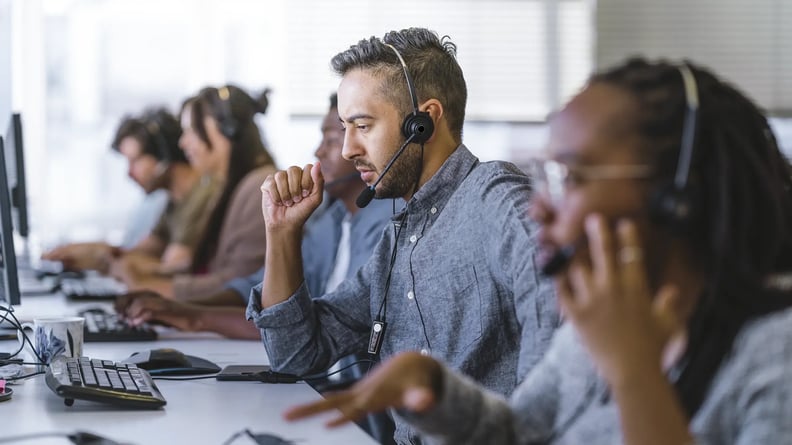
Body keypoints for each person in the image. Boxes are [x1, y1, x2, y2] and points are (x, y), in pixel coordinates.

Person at [284, 58, 792, 444]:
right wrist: (436, 392)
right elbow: (520, 431)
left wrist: (636, 376)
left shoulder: (773, 354)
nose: (541, 206)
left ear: (676, 196)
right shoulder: (599, 328)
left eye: (570, 177)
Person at [250, 28, 558, 444]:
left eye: (362, 125)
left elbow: (558, 319)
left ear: (423, 122)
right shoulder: (398, 242)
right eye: (344, 128)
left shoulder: (496, 198)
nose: (348, 149)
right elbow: (296, 353)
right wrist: (282, 233)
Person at [114, 93, 395, 341]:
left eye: (331, 140)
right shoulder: (333, 220)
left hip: (335, 378)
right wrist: (183, 311)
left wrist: (191, 315)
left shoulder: (385, 226)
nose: (318, 151)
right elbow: (256, 287)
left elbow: (316, 328)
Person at [112, 85, 277, 301]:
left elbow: (242, 285)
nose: (183, 143)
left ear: (227, 130)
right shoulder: (229, 187)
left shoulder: (259, 188)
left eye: (191, 131)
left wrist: (149, 286)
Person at [43, 108, 216, 275]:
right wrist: (89, 252)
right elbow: (141, 252)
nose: (129, 173)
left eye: (135, 161)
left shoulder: (202, 197)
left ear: (163, 156)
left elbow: (171, 268)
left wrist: (105, 261)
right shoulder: (173, 202)